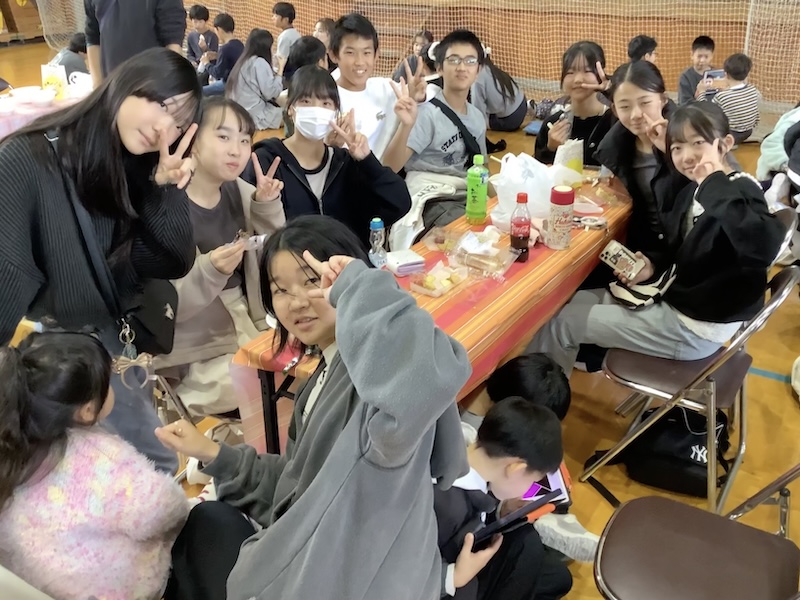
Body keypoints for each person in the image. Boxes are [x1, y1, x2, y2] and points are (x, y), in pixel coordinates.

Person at [157, 215, 473, 600]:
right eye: (280, 290)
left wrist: (361, 285)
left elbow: (427, 378)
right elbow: (298, 482)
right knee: (205, 523)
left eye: (311, 281)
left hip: (344, 577)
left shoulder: (375, 391)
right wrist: (212, 453)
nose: (297, 302)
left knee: (203, 529)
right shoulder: (324, 376)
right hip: (334, 558)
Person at [0, 47, 201, 473]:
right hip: (58, 363)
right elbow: (7, 277)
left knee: (150, 464)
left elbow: (172, 262)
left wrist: (165, 188)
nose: (164, 128)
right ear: (128, 82)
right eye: (162, 105)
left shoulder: (136, 164)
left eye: (179, 124)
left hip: (115, 351)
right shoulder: (26, 158)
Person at [526, 101, 784, 378]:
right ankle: (561, 372)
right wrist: (652, 266)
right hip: (680, 302)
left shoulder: (740, 190)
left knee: (563, 323)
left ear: (726, 144)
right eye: (678, 148)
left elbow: (763, 247)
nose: (687, 156)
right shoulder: (698, 189)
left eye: (698, 143)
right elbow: (688, 249)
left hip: (694, 329)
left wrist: (712, 182)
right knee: (576, 301)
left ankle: (540, 396)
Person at [0, 332, 188, 600]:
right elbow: (161, 510)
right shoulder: (99, 456)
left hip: (52, 588)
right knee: (209, 519)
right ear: (87, 410)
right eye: (108, 381)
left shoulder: (9, 453)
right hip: (128, 589)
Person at [155, 98, 285, 416]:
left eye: (244, 140)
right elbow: (167, 306)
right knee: (263, 385)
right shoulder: (166, 205)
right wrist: (210, 270)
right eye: (223, 137)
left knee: (296, 371)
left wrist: (266, 207)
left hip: (246, 321)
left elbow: (275, 255)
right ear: (193, 140)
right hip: (195, 344)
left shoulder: (240, 190)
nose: (236, 150)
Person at [242, 65, 410, 247]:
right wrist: (263, 204)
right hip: (293, 262)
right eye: (306, 101)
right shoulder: (267, 161)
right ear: (290, 108)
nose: (316, 109)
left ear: (335, 112)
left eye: (325, 104)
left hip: (347, 261)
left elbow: (399, 204)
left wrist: (367, 160)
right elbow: (252, 234)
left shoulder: (345, 163)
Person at [436, 398, 571, 600]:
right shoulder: (445, 507)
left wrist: (501, 510)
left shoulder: (461, 459)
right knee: (531, 551)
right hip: (446, 583)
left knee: (557, 578)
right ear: (516, 468)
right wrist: (452, 577)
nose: (528, 490)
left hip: (464, 562)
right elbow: (401, 570)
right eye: (532, 481)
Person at [594, 60, 689, 272]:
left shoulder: (689, 137)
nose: (636, 114)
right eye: (625, 106)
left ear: (663, 100)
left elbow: (722, 184)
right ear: (615, 110)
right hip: (644, 250)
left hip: (689, 253)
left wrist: (674, 152)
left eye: (645, 102)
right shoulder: (616, 147)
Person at [383, 29, 488, 176]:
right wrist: (405, 125)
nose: (462, 67)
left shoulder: (477, 117)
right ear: (439, 68)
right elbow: (390, 167)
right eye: (453, 60)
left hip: (463, 187)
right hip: (427, 187)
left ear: (478, 70)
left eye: (470, 61)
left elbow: (482, 168)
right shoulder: (426, 113)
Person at [330, 13, 427, 161]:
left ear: (376, 55)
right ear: (334, 55)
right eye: (350, 53)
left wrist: (416, 95)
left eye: (366, 52)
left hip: (381, 173)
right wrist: (329, 147)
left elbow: (418, 94)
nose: (360, 62)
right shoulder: (325, 98)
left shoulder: (386, 88)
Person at [534, 41, 615, 166]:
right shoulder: (554, 123)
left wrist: (611, 92)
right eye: (570, 72)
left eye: (587, 71)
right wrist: (550, 148)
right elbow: (537, 169)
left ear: (600, 74)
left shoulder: (613, 122)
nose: (577, 79)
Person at [84, 0, 186, 87]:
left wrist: (173, 89)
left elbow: (173, 42)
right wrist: (98, 87)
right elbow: (93, 38)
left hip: (151, 89)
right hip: (112, 88)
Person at [227, 29, 283, 130]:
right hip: (255, 116)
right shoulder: (259, 62)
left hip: (239, 113)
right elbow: (271, 93)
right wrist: (281, 69)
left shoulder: (244, 60)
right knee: (292, 116)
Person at [710, 53, 761, 144]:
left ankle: (727, 143)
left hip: (730, 135)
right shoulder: (753, 89)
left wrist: (701, 92)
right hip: (748, 132)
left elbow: (707, 110)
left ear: (726, 75)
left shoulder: (721, 96)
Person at [471, 54, 527, 132]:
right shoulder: (489, 67)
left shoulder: (477, 80)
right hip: (522, 102)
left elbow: (478, 114)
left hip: (512, 119)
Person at [200, 13, 244, 96]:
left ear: (219, 29)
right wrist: (217, 56)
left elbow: (217, 73)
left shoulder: (224, 49)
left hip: (229, 84)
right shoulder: (239, 44)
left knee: (199, 92)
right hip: (240, 83)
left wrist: (206, 63)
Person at [186, 4, 219, 82]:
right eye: (195, 21)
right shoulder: (191, 36)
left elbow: (214, 56)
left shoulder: (212, 36)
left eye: (200, 22)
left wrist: (205, 48)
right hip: (196, 66)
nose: (197, 24)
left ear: (205, 21)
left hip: (208, 67)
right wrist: (192, 61)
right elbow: (190, 54)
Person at [678, 35, 715, 104]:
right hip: (694, 110)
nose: (702, 60)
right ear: (692, 55)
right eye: (699, 56)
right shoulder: (686, 76)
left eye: (706, 57)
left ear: (712, 56)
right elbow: (684, 103)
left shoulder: (717, 74)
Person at [273, 1, 301, 75]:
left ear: (286, 20)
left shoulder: (285, 37)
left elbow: (281, 60)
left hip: (288, 74)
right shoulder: (296, 33)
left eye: (276, 16)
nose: (273, 18)